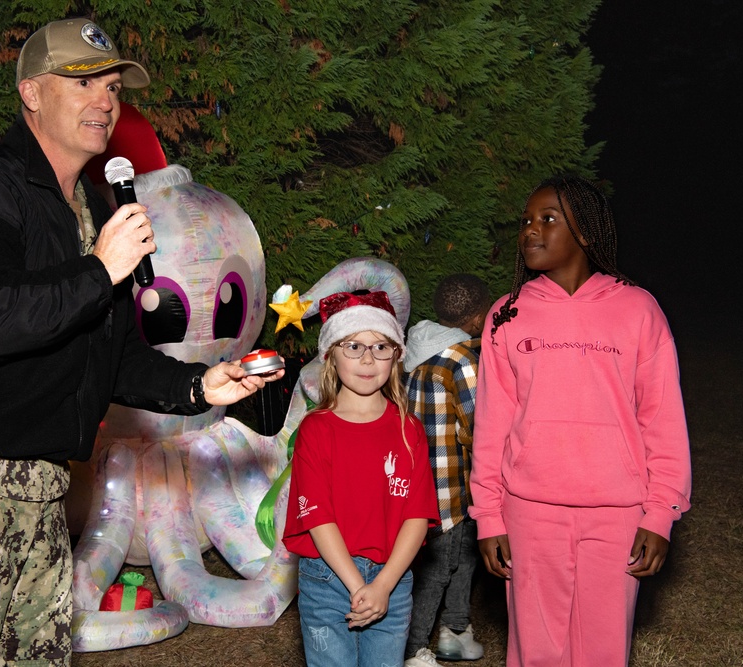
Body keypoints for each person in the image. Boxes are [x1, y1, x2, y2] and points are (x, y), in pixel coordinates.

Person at [0, 18, 283, 667]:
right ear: (31, 92)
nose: (104, 100)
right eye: (82, 82)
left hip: (41, 487)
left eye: (112, 87)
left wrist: (199, 385)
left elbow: (112, 356)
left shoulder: (93, 210)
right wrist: (99, 270)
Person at [469, 174, 692, 666]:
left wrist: (660, 513)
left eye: (548, 219)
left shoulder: (638, 309)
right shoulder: (507, 315)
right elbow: (491, 424)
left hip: (617, 513)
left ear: (586, 232)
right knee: (536, 651)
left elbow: (662, 421)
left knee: (602, 650)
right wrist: (488, 515)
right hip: (529, 511)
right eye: (526, 220)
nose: (530, 230)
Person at [283, 291, 439, 667]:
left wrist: (383, 586)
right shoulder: (316, 429)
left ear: (396, 355)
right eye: (353, 346)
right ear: (331, 355)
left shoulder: (409, 430)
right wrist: (358, 586)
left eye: (381, 346)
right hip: (327, 578)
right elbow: (317, 517)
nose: (368, 359)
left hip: (393, 578)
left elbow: (417, 516)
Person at [403, 273, 490, 667]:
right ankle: (414, 649)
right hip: (450, 483)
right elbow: (478, 426)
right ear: (478, 318)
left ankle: (455, 630)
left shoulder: (415, 352)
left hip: (419, 478)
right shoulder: (461, 360)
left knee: (463, 556)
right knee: (438, 569)